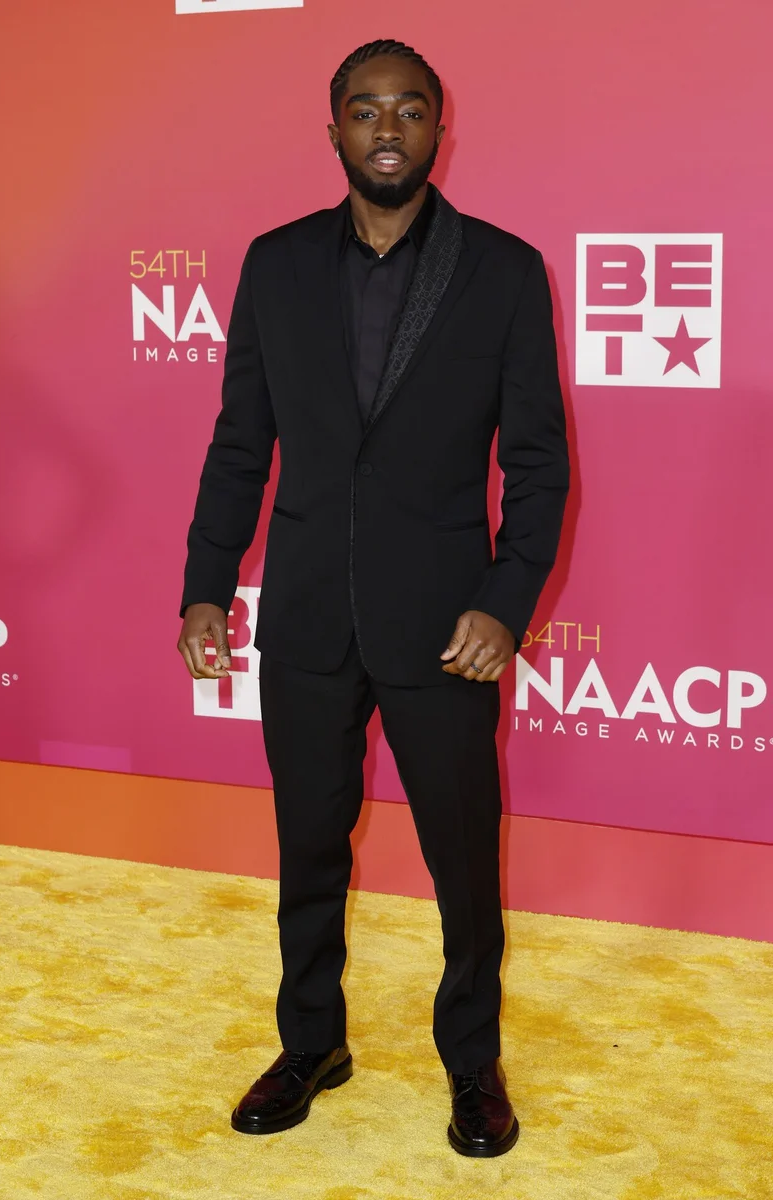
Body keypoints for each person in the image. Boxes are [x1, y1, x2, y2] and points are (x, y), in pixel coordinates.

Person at [177, 38, 569, 1158]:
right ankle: (312, 1043)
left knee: (462, 860)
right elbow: (240, 444)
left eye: (408, 109)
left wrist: (503, 602)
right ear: (334, 129)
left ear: (440, 127)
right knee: (308, 847)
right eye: (364, 109)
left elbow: (538, 464)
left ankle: (472, 1061)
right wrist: (206, 584)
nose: (386, 128)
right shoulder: (275, 263)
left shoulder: (503, 271)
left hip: (446, 628)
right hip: (304, 616)